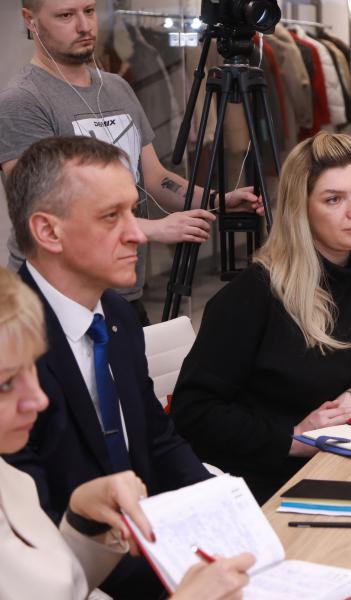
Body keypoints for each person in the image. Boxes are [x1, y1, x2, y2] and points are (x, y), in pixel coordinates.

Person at [171, 132, 351, 503]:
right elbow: (193, 413)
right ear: (300, 208)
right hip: (284, 482)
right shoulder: (255, 294)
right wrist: (291, 437)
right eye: (334, 199)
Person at [3, 136, 214, 599]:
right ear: (48, 232)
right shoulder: (11, 345)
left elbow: (156, 438)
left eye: (132, 212)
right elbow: (34, 537)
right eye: (111, 216)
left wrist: (222, 518)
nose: (138, 233)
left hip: (138, 550)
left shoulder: (118, 315)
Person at [0, 0, 261, 324]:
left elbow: (154, 178)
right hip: (54, 301)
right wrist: (153, 229)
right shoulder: (23, 101)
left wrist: (216, 200)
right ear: (30, 20)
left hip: (123, 295)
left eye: (89, 11)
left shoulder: (117, 87)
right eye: (66, 15)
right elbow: (43, 211)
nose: (84, 26)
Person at [0, 268, 254, 599]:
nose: (38, 398)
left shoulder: (11, 478)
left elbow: (56, 587)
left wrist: (82, 524)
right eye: (6, 384)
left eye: (31, 369)